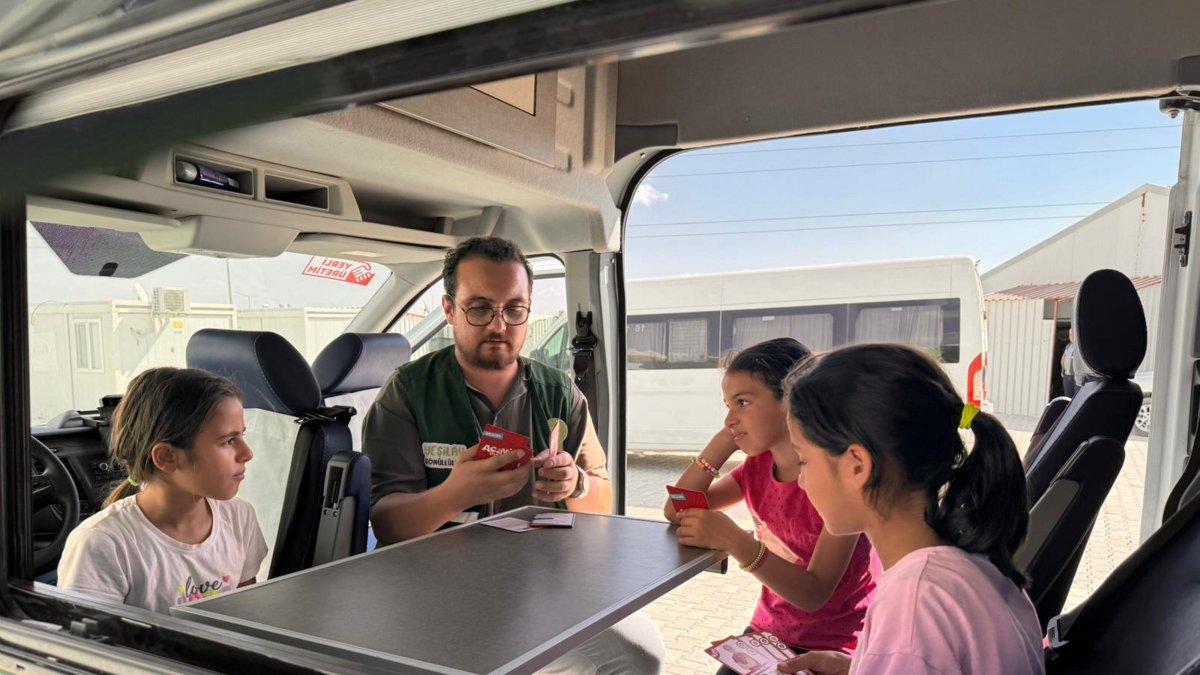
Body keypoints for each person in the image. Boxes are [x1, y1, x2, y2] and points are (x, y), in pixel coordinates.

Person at [363, 235, 664, 674]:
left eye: (514, 309)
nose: (499, 325)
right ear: (449, 310)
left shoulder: (560, 393)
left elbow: (602, 501)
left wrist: (576, 484)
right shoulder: (408, 392)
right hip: (438, 587)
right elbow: (387, 526)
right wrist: (453, 495)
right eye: (480, 308)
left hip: (542, 581)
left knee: (639, 654)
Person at [777, 344, 1044, 675]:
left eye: (803, 460)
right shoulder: (976, 564)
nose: (801, 481)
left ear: (857, 466)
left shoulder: (913, 604)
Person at [664, 338, 878, 669]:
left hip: (836, 646)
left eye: (742, 403)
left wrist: (737, 543)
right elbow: (676, 509)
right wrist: (719, 446)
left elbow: (813, 594)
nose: (730, 419)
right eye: (727, 406)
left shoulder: (836, 481)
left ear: (792, 401)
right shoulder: (758, 467)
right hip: (769, 633)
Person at [57, 368, 268, 613]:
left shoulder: (240, 516)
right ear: (167, 457)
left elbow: (244, 617)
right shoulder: (101, 542)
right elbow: (89, 636)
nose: (247, 453)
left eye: (241, 436)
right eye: (228, 441)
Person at [1061, 329, 1078, 397]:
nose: (1071, 336)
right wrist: (1063, 371)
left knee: (1075, 397)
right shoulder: (1068, 346)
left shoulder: (1078, 347)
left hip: (1075, 376)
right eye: (1070, 335)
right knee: (1067, 396)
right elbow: (1063, 358)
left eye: (1072, 334)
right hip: (1067, 376)